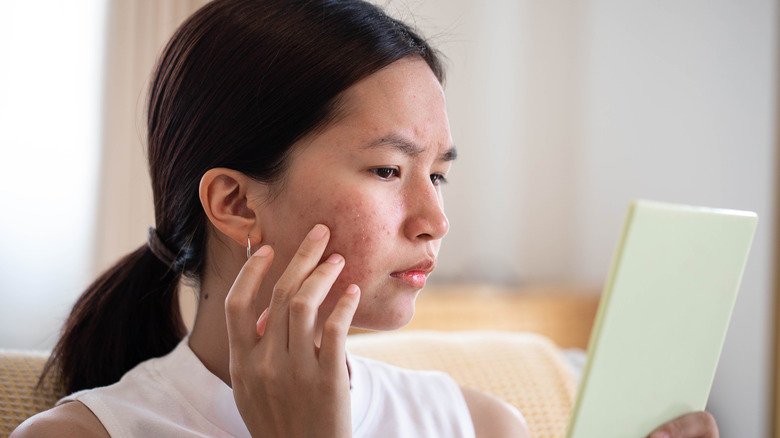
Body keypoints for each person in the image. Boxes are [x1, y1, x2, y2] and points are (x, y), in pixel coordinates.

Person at [13, 0, 719, 437]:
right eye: (388, 170)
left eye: (438, 173)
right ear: (235, 202)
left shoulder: (479, 426)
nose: (435, 219)